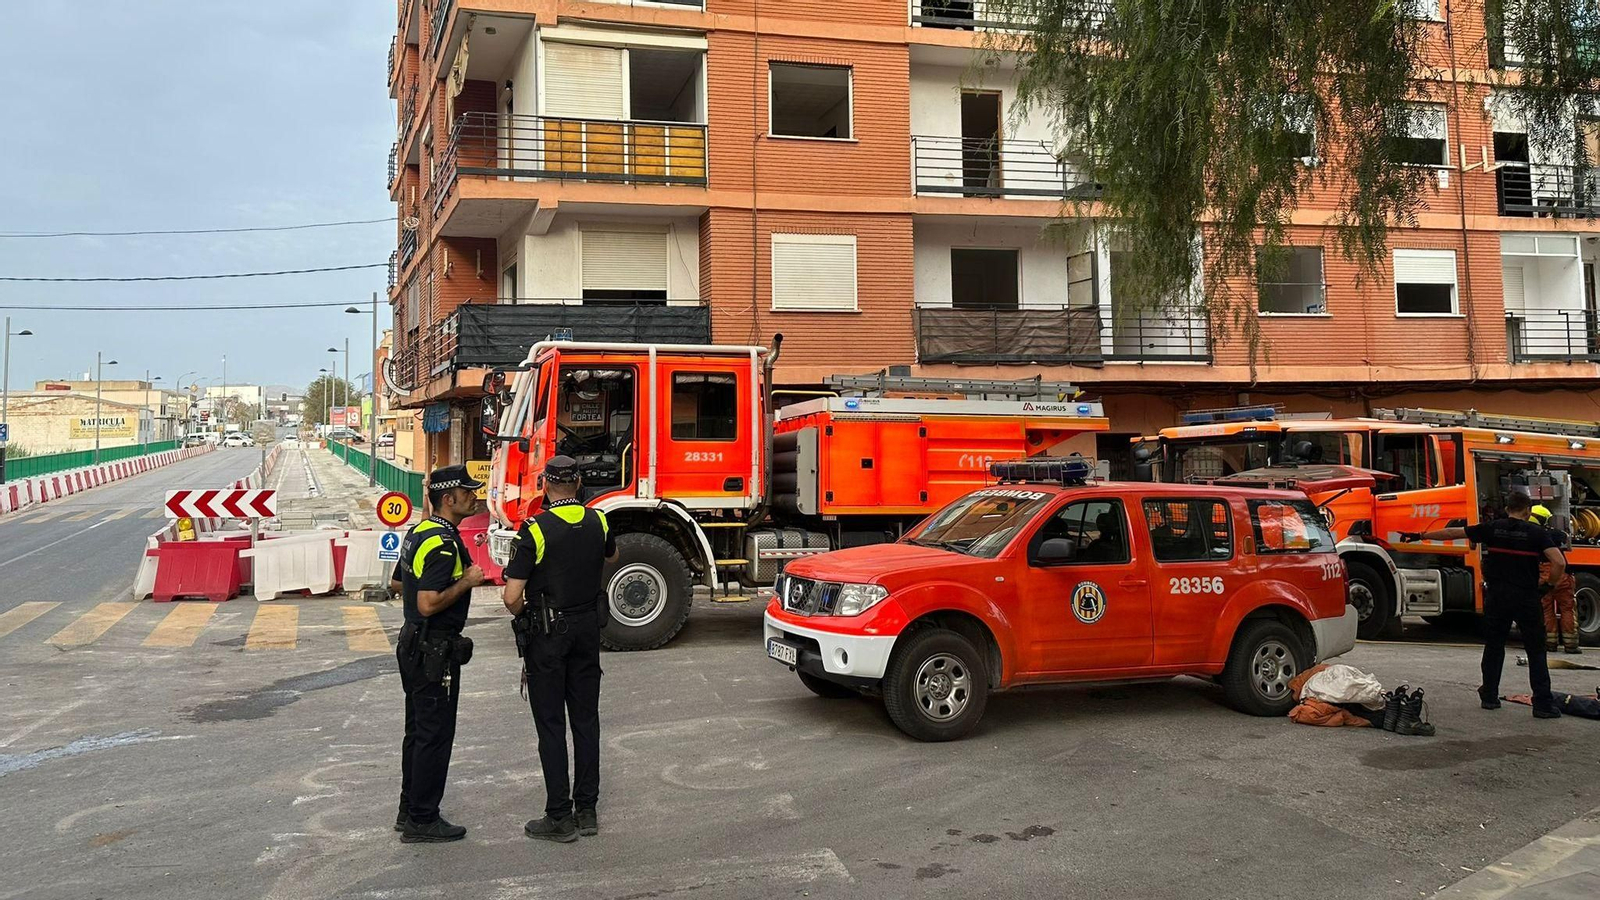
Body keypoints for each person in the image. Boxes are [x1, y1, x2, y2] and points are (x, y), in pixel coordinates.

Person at [502, 455, 617, 843]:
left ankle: (558, 816)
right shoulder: (599, 519)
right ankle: (587, 810)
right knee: (586, 721)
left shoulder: (533, 530)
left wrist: (526, 617)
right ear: (579, 482)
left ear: (545, 485)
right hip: (588, 630)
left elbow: (511, 595)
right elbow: (611, 555)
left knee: (551, 725)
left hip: (549, 635)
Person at [1403, 491, 1566, 719]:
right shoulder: (1537, 533)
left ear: (1507, 508)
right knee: (1536, 650)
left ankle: (1489, 696)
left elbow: (1453, 532)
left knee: (1494, 646)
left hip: (1498, 597)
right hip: (1526, 598)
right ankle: (1543, 704)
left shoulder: (1491, 528)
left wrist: (1421, 535)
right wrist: (1548, 585)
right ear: (1528, 511)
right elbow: (1559, 561)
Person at [389, 465, 487, 842]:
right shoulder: (444, 544)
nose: (474, 496)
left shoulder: (420, 533)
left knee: (417, 731)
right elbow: (429, 603)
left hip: (413, 643)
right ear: (449, 499)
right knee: (434, 734)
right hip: (433, 650)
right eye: (467, 491)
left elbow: (398, 582)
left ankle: (408, 808)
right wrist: (467, 580)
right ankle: (423, 819)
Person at [1530, 504, 1581, 654]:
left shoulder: (1530, 534)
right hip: (1561, 573)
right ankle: (1571, 645)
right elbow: (1563, 536)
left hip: (1542, 573)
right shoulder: (1552, 534)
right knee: (1567, 608)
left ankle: (1550, 643)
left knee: (1546, 609)